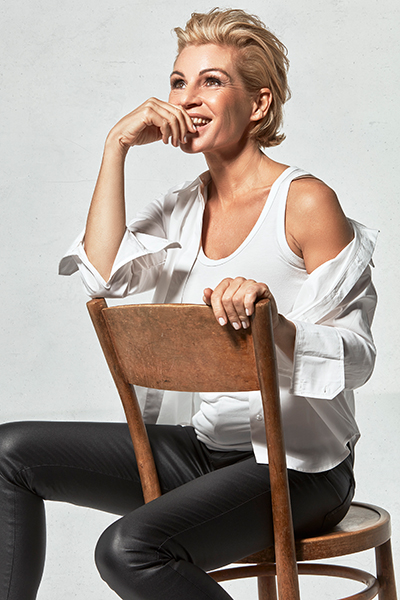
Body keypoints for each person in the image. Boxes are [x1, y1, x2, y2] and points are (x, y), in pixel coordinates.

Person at [0, 8, 377, 600]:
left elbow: (358, 357)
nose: (188, 97)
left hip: (300, 469)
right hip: (205, 452)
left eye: (212, 81)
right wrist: (116, 145)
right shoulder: (181, 207)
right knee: (9, 454)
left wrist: (274, 325)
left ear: (259, 104)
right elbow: (100, 276)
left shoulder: (305, 203)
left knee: (128, 548)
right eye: (179, 81)